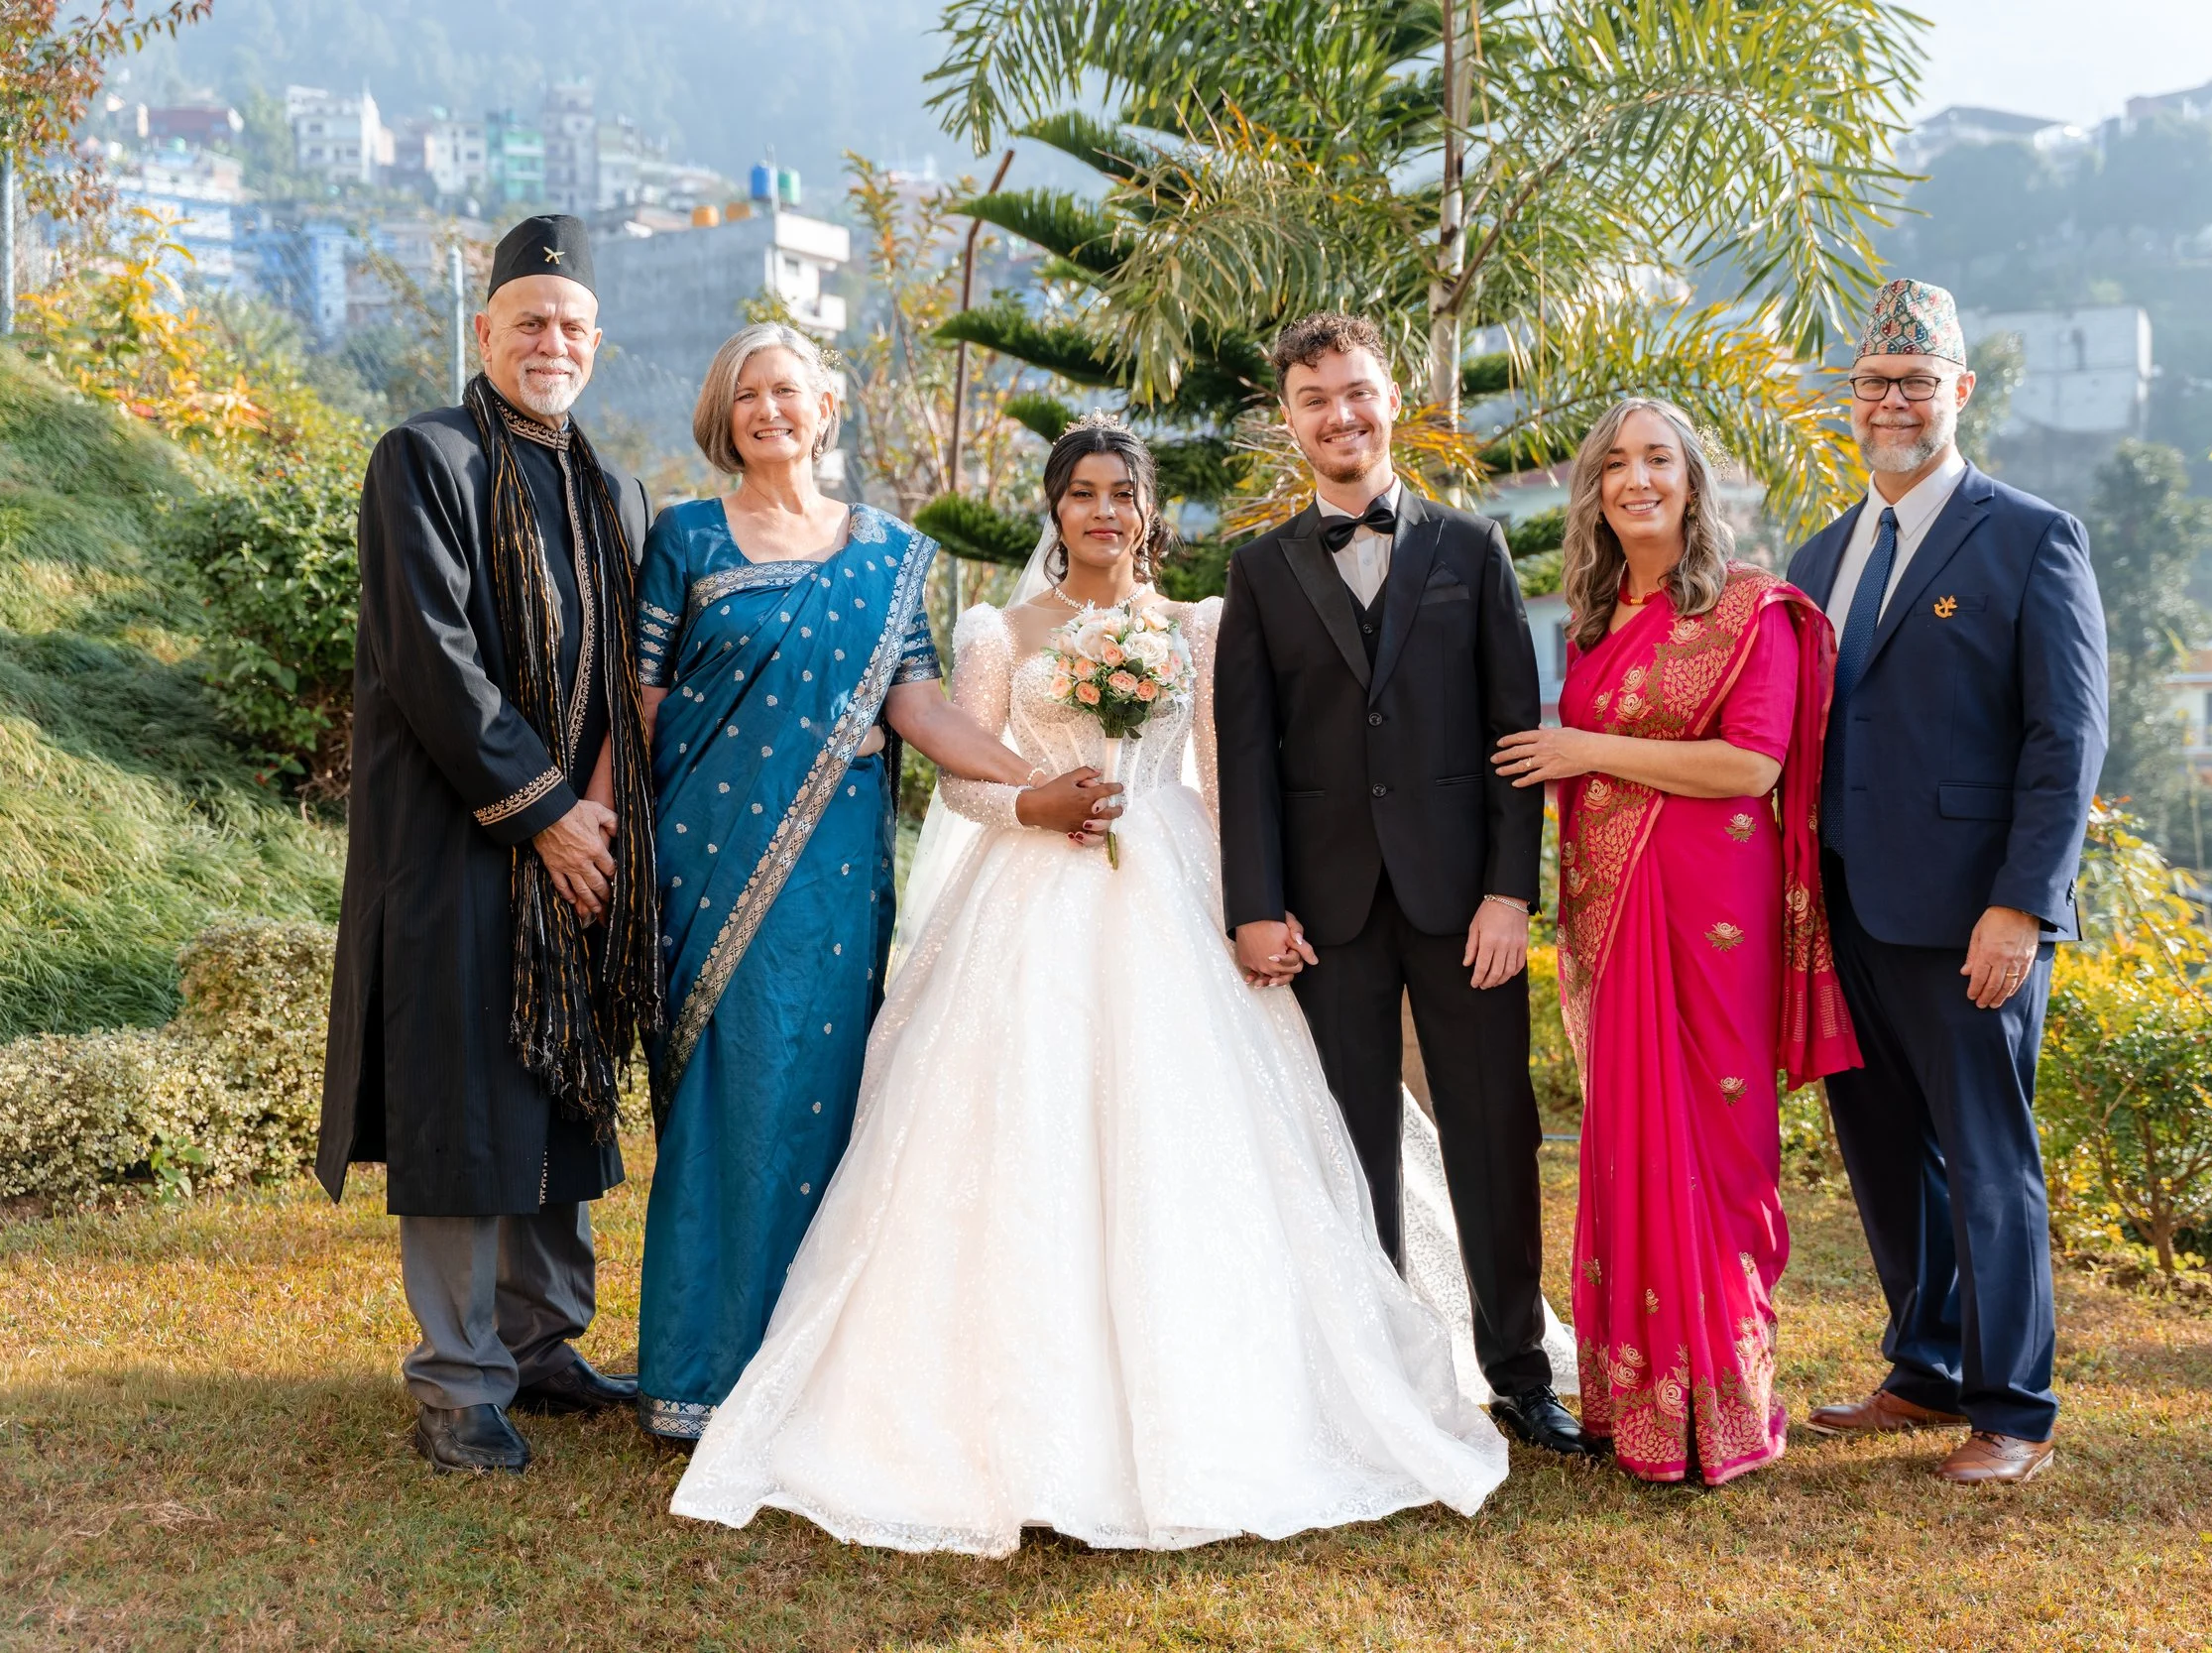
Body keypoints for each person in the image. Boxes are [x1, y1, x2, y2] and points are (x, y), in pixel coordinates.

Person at [666, 416, 1508, 1553]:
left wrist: (1246, 907)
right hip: (1029, 890)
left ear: (1147, 512)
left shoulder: (1197, 624)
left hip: (1166, 878)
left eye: (1122, 492)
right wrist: (1032, 801)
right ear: (1054, 510)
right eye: (1082, 492)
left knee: (1192, 1129)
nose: (1103, 510)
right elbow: (959, 777)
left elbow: (1223, 773)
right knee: (1020, 1125)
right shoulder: (997, 630)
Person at [630, 323, 1078, 1444]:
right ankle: (697, 1368)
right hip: (704, 856)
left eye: (787, 390)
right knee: (723, 1091)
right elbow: (640, 709)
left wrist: (1030, 783)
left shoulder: (886, 554)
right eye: (746, 395)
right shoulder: (685, 536)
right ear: (722, 416)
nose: (768, 410)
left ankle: (812, 1362)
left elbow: (917, 707)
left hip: (833, 871)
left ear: (825, 407)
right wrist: (613, 838)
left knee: (824, 1087)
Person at [317, 215, 659, 1474]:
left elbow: (629, 679)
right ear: (485, 330)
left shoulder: (617, 492)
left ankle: (540, 1339)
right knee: (463, 1105)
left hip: (581, 842)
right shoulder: (425, 458)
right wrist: (548, 814)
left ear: (595, 343)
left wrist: (599, 817)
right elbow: (432, 660)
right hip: (457, 841)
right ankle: (458, 1380)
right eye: (529, 322)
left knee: (562, 1088)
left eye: (571, 326)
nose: (550, 342)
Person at [1215, 312, 1588, 1456]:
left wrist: (1508, 892)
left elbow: (1513, 734)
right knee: (1349, 1140)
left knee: (1493, 1130)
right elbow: (1247, 753)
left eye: (1357, 392)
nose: (1340, 415)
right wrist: (1254, 905)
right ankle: (1374, 1376)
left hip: (1463, 903)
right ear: (1289, 420)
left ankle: (1518, 1370)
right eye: (1315, 399)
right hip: (1325, 909)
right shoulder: (1259, 570)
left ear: (1391, 399)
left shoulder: (1472, 549)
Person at [1492, 399, 1860, 1483]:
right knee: (1628, 1138)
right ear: (1594, 491)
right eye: (1615, 463)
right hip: (1614, 915)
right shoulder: (1595, 621)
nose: (1636, 478)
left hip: (1712, 916)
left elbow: (1751, 765)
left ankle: (1721, 1409)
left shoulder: (1753, 609)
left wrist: (1585, 748)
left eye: (1658, 458)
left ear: (1693, 479)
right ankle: (1636, 1406)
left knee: (1714, 1140)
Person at [1785, 279, 2108, 1486]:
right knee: (1881, 1150)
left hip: (1975, 912)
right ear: (1849, 396)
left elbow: (2066, 737)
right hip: (1844, 906)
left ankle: (2013, 1407)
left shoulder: (2031, 535)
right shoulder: (1819, 555)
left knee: (1986, 1158)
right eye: (1873, 382)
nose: (1892, 401)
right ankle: (1923, 1367)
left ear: (1959, 390)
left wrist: (2022, 903)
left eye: (1915, 382)